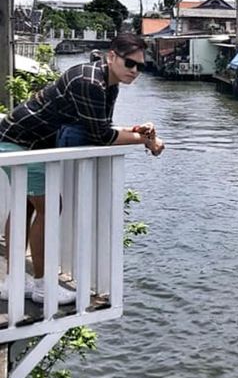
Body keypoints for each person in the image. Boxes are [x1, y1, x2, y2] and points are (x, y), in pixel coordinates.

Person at [0, 33, 165, 305]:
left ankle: (14, 280)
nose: (135, 71)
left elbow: (97, 128)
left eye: (141, 66)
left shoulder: (107, 83)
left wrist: (135, 131)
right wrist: (146, 139)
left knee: (24, 208)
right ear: (111, 56)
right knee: (51, 206)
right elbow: (101, 136)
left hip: (18, 140)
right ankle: (42, 286)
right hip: (21, 143)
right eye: (129, 63)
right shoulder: (91, 82)